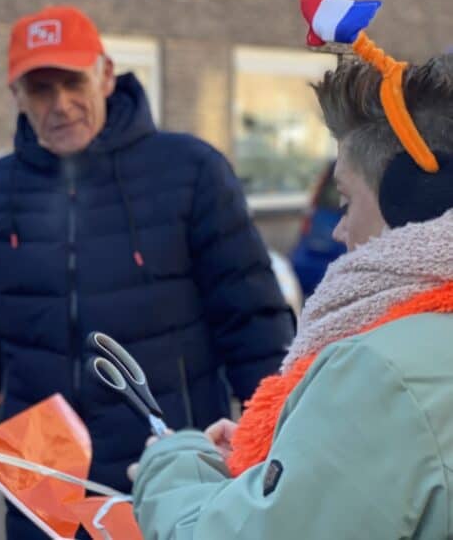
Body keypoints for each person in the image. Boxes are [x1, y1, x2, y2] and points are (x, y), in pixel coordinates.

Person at [0, 5, 294, 537]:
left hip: (168, 476)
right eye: (41, 89)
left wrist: (279, 444)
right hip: (42, 489)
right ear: (17, 96)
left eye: (73, 82)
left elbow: (252, 325)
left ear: (105, 75)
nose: (60, 104)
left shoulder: (191, 172)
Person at [132, 53, 453, 538]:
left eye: (345, 201)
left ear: (415, 196)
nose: (340, 230)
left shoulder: (384, 373)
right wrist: (294, 452)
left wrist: (170, 467)